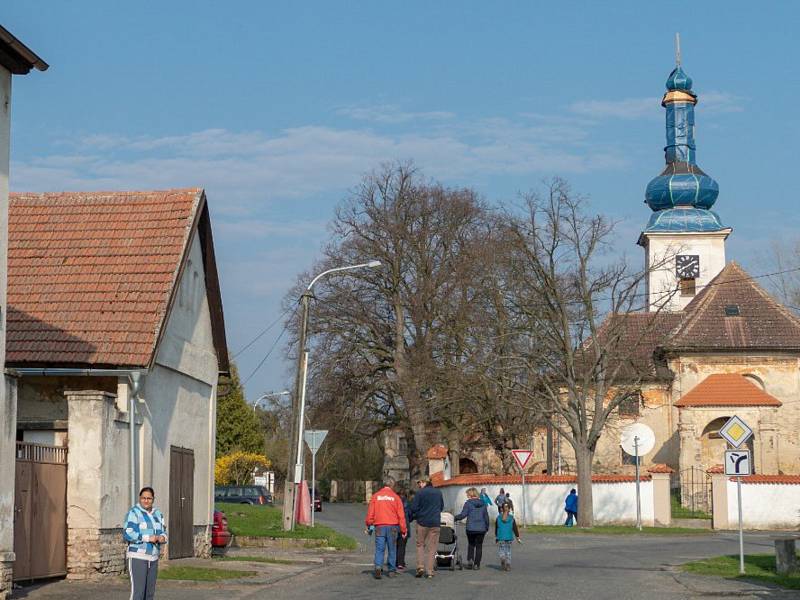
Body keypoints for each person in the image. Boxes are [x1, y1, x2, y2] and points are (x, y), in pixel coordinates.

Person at [124, 486, 167, 600]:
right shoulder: (134, 513)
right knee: (138, 594)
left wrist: (162, 537)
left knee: (149, 594)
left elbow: (163, 531)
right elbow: (128, 533)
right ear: (140, 498)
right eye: (144, 498)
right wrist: (147, 538)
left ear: (153, 499)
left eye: (149, 498)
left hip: (153, 558)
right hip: (138, 556)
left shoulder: (158, 514)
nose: (146, 501)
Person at [365, 476, 407, 579]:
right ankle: (391, 570)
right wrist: (403, 529)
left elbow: (370, 513)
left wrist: (369, 524)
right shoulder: (396, 498)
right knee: (392, 548)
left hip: (379, 525)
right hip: (392, 526)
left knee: (379, 548)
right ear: (392, 485)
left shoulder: (376, 496)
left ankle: (378, 566)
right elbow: (401, 516)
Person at [410, 477, 444, 579]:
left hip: (422, 522)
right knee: (432, 547)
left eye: (419, 483)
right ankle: (429, 571)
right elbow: (441, 507)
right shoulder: (438, 492)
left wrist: (418, 514)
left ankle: (420, 567)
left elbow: (413, 508)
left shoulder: (420, 493)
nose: (419, 485)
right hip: (435, 522)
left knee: (420, 545)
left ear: (424, 482)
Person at [454, 487, 490, 570]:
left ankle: (470, 561)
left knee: (471, 545)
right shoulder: (483, 504)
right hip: (481, 529)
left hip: (470, 528)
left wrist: (455, 518)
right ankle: (477, 564)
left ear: (470, 494)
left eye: (467, 494)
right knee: (479, 546)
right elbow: (486, 517)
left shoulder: (468, 503)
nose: (467, 496)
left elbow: (463, 515)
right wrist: (487, 527)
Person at [495, 501, 521, 572]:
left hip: (501, 537)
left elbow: (496, 528)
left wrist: (496, 537)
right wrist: (518, 538)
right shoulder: (512, 518)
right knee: (508, 551)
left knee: (501, 549)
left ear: (501, 509)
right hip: (509, 537)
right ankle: (508, 565)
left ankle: (502, 558)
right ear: (509, 509)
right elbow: (515, 528)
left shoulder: (498, 518)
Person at [396, 488, 414, 571]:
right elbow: (411, 514)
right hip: (405, 525)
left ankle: (394, 561)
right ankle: (400, 562)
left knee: (394, 544)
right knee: (402, 545)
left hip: (395, 525)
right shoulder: (408, 503)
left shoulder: (394, 501)